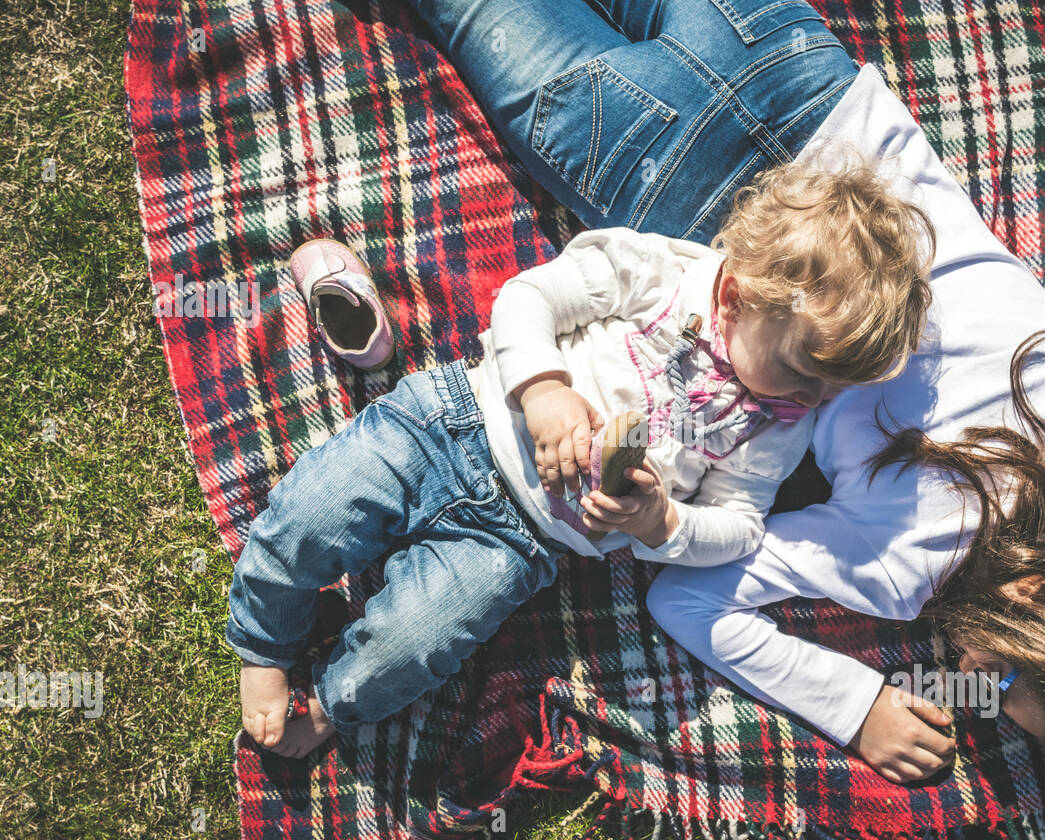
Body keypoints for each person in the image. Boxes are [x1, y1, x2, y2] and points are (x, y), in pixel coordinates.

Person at [412, 0, 1045, 781]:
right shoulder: (902, 566)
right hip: (671, 181)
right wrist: (854, 702)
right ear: (1032, 613)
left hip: (810, 88)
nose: (971, 684)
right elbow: (687, 597)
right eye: (998, 681)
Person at [227, 154, 936, 757]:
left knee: (416, 642)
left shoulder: (779, 426)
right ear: (742, 296)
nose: (811, 400)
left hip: (518, 540)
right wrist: (544, 390)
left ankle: (330, 701)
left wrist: (663, 525)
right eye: (802, 373)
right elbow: (530, 299)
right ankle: (264, 640)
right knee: (312, 512)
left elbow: (742, 526)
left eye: (828, 391)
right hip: (453, 424)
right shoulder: (658, 272)